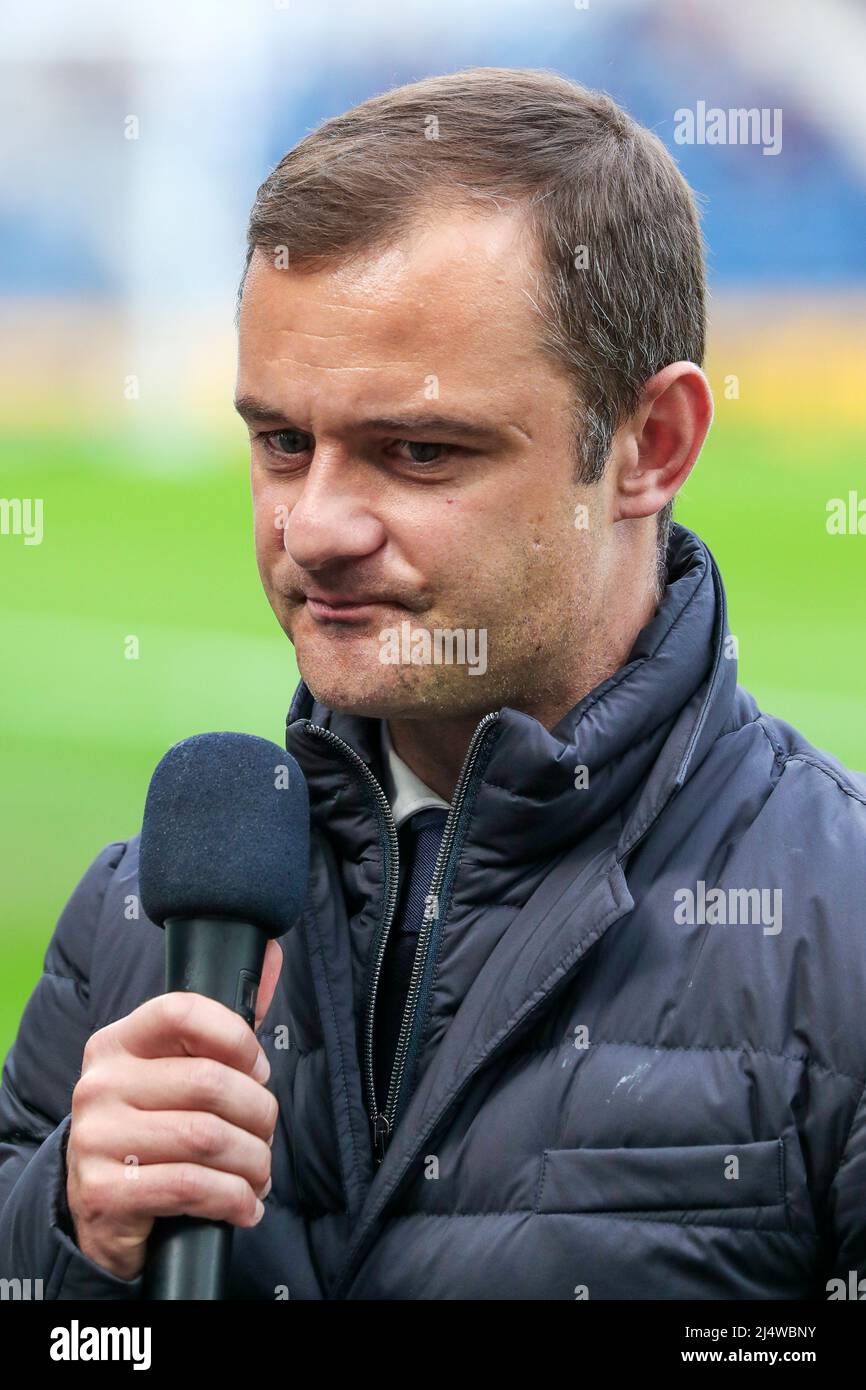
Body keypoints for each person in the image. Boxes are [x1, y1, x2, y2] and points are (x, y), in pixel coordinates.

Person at [2, 67, 865, 1300]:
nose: (315, 527)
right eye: (283, 442)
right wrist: (71, 1242)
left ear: (649, 445)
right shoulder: (143, 922)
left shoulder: (837, 937)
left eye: (417, 451)